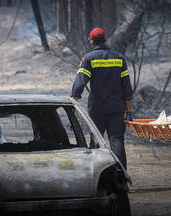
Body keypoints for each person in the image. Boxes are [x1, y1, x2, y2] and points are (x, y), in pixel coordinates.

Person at [71, 27, 133, 169]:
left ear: (92, 42)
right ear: (104, 40)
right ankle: (121, 176)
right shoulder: (119, 58)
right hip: (117, 108)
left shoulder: (88, 58)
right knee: (117, 141)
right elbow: (127, 88)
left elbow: (80, 82)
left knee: (96, 143)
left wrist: (73, 102)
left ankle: (95, 175)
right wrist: (129, 112)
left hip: (97, 110)